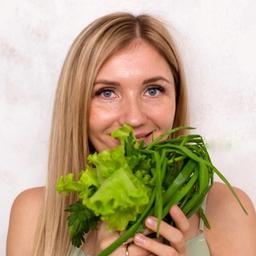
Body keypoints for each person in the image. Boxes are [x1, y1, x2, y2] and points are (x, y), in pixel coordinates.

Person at [6, 12, 256, 256]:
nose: (134, 118)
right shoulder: (34, 215)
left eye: (153, 90)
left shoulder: (228, 209)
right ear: (76, 105)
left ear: (177, 98)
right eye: (107, 93)